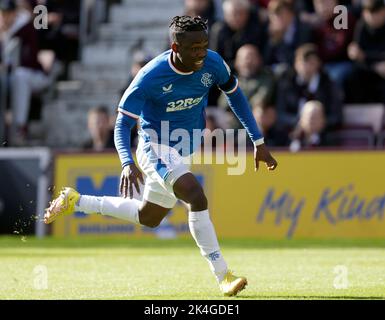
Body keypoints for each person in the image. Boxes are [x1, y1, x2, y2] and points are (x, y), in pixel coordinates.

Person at [44, 16, 278, 296]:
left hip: (184, 149)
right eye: (194, 48)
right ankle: (223, 274)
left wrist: (258, 140)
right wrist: (127, 161)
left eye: (204, 45)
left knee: (150, 217)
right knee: (195, 194)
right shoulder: (150, 77)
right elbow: (122, 124)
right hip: (154, 145)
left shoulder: (213, 62)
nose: (201, 53)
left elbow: (235, 94)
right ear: (176, 47)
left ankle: (77, 201)